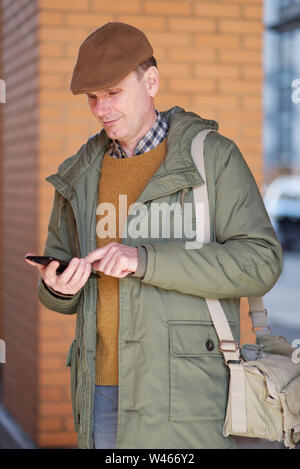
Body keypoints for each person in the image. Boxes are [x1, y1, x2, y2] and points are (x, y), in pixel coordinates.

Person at [25, 22, 283, 449]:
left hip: (187, 396)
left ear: (151, 81)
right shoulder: (80, 174)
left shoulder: (213, 159)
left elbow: (261, 262)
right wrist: (57, 286)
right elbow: (61, 275)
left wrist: (144, 260)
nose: (101, 108)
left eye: (112, 92)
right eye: (92, 97)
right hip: (100, 393)